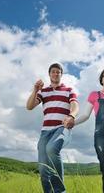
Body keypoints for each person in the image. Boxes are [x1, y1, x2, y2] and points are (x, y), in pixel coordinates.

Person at [65, 67, 104, 193]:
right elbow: (85, 115)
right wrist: (73, 122)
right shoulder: (95, 95)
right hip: (102, 135)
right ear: (101, 79)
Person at [26, 63, 79, 193]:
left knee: (51, 148)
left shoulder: (68, 90)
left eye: (58, 72)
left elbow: (75, 105)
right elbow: (29, 106)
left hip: (62, 128)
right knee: (43, 168)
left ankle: (60, 191)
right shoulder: (43, 92)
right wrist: (35, 90)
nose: (55, 74)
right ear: (49, 74)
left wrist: (71, 116)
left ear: (61, 74)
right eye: (53, 72)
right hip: (45, 132)